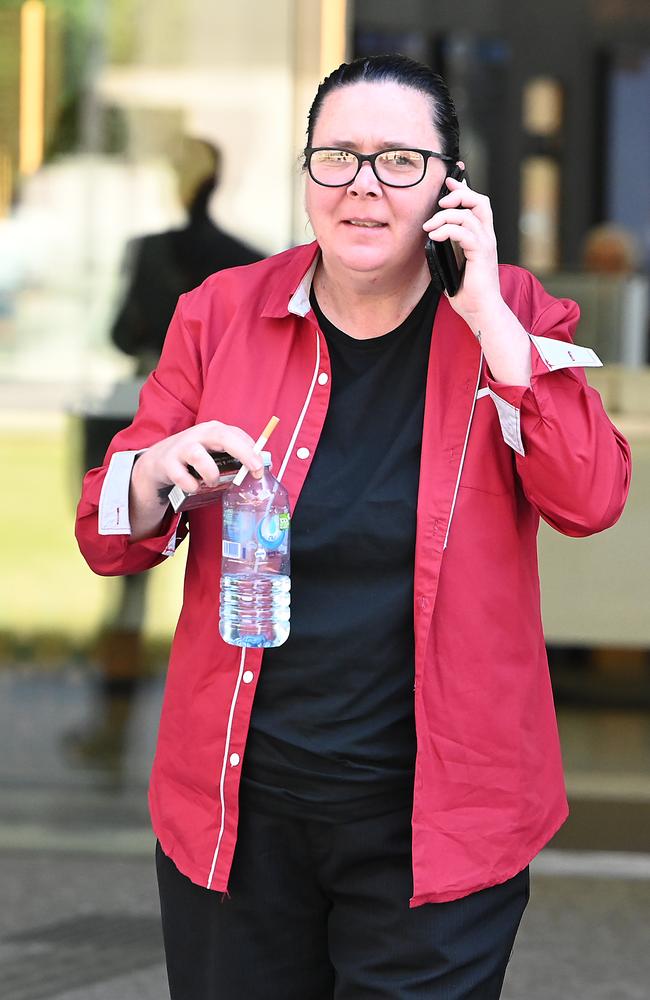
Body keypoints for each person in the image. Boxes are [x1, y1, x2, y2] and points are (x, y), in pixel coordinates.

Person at [75, 55, 631, 999]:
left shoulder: (515, 314)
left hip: (441, 824)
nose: (363, 186)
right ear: (306, 178)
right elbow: (104, 529)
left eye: (399, 161)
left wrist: (490, 313)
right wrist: (159, 472)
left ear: (451, 188)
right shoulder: (220, 315)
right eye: (336, 157)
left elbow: (590, 497)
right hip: (239, 814)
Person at [69, 136, 262, 772]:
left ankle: (115, 725)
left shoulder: (153, 252)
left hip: (166, 425)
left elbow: (122, 330)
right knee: (223, 571)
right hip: (207, 432)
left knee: (146, 591)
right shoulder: (242, 261)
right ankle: (127, 728)